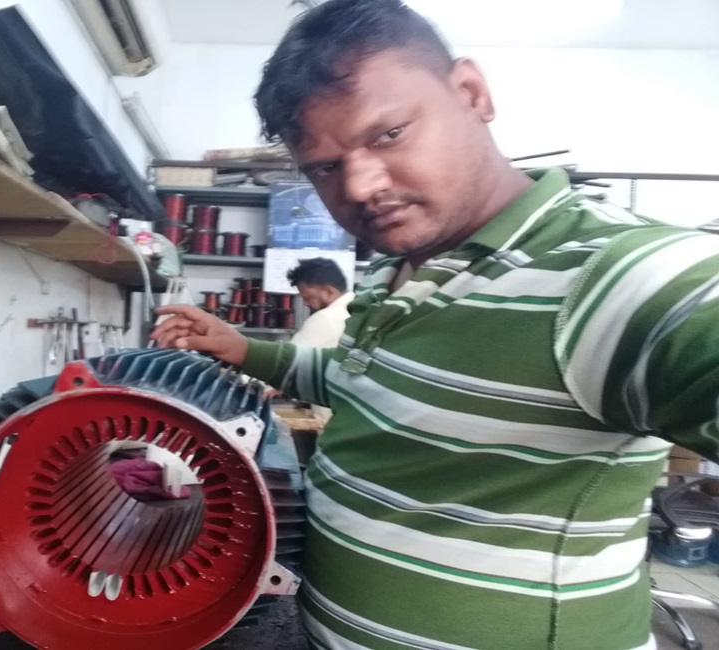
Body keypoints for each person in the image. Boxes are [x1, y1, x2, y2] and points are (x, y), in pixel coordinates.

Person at [152, 1, 719, 648]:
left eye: (387, 134)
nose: (360, 186)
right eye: (325, 168)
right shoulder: (387, 272)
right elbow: (359, 382)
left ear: (471, 93)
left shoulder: (616, 274)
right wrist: (244, 349)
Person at [286, 258, 355, 425]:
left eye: (309, 297)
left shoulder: (326, 318)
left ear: (329, 291)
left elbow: (285, 362)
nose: (306, 303)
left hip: (331, 418)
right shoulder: (359, 309)